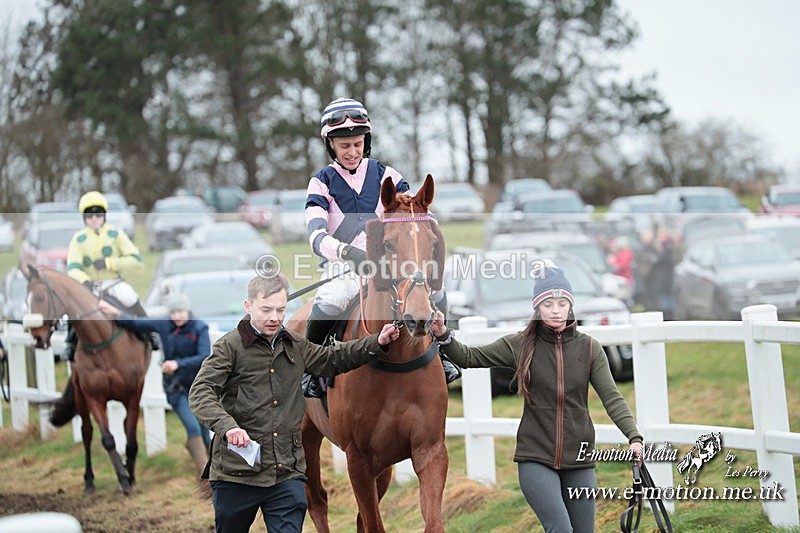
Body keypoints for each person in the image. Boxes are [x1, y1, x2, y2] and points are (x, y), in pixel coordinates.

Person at [429, 266, 644, 532]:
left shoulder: (589, 349)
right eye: (548, 304)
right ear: (537, 308)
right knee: (561, 529)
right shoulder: (519, 345)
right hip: (535, 458)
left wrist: (634, 437)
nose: (556, 310)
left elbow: (612, 397)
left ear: (571, 306)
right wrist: (443, 334)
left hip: (579, 458)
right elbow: (469, 357)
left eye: (562, 303)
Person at [188, 273, 401, 533]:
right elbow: (201, 391)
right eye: (266, 309)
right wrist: (227, 426)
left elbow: (333, 359)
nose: (275, 317)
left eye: (280, 309)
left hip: (285, 474)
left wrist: (376, 343)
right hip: (237, 475)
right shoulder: (228, 348)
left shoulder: (294, 344)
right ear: (248, 306)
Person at [302, 97, 459, 396]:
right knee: (328, 304)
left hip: (389, 262)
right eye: (344, 145)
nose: (352, 151)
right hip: (344, 265)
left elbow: (416, 210)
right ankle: (312, 372)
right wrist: (348, 253)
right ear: (331, 145)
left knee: (436, 293)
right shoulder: (320, 182)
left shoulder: (388, 174)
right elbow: (316, 236)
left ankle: (445, 354)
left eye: (357, 144)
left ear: (366, 142)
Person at [98, 292, 212, 496]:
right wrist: (115, 312)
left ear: (188, 310)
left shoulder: (199, 327)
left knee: (205, 430)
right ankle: (206, 481)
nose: (177, 315)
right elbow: (137, 324)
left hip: (199, 387)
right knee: (193, 427)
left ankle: (216, 471)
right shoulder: (164, 325)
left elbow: (204, 356)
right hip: (175, 389)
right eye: (173, 312)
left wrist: (178, 364)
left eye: (180, 311)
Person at [63, 191, 147, 361]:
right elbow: (72, 267)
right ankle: (70, 344)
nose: (94, 218)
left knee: (130, 297)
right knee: (73, 310)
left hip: (113, 282)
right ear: (84, 217)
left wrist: (110, 263)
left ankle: (149, 334)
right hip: (89, 284)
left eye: (98, 213)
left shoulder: (116, 234)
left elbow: (137, 261)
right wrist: (84, 281)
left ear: (104, 215)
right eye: (89, 214)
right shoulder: (78, 239)